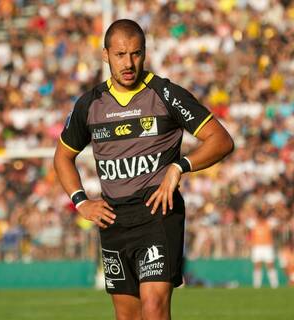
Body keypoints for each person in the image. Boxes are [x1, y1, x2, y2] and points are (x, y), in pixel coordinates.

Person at [54, 19, 234, 320]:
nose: (128, 63)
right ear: (105, 55)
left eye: (136, 54)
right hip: (114, 220)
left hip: (158, 215)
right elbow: (61, 158)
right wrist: (81, 201)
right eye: (120, 55)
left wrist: (179, 167)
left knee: (153, 308)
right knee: (127, 316)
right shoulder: (90, 104)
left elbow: (221, 140)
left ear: (145, 53)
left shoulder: (165, 94)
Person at [246, 208, 279, 288]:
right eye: (259, 216)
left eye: (262, 216)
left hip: (267, 246)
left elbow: (277, 224)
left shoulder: (269, 223)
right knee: (257, 265)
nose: (260, 218)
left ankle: (274, 285)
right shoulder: (253, 223)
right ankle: (257, 285)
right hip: (257, 247)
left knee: (270, 265)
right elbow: (246, 225)